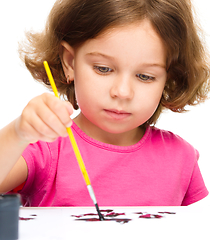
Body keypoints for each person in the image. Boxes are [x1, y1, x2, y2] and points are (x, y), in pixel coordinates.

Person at [0, 0, 209, 207]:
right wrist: (18, 133)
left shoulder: (181, 157)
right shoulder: (44, 149)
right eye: (103, 69)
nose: (122, 92)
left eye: (145, 76)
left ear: (169, 79)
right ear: (70, 62)